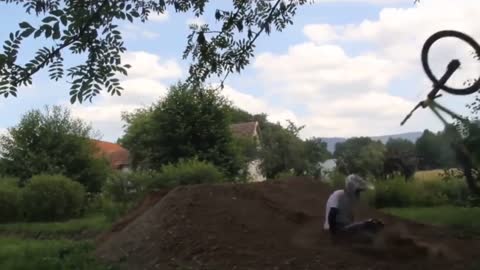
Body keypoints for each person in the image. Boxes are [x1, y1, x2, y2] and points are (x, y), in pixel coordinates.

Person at [324, 174, 383, 239]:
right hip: (337, 229)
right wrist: (334, 235)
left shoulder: (350, 200)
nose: (359, 194)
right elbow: (332, 214)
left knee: (375, 226)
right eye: (358, 191)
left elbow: (349, 219)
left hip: (344, 229)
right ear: (351, 188)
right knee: (370, 224)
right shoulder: (338, 195)